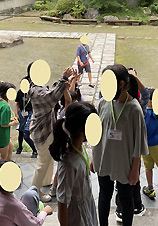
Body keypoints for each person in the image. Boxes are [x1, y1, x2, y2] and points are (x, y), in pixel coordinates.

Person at [92, 64, 148, 226]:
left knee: (125, 199)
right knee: (104, 197)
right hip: (105, 161)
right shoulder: (103, 103)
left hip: (125, 164)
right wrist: (93, 158)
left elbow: (138, 142)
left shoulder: (134, 109)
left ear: (121, 84)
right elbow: (97, 133)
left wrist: (135, 170)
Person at [28, 62, 75, 202]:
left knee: (47, 161)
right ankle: (35, 193)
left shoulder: (38, 87)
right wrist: (63, 78)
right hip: (43, 132)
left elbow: (51, 93)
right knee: (42, 162)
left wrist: (64, 83)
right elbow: (51, 98)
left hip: (45, 129)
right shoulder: (36, 91)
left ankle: (44, 182)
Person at [49, 102, 98, 226]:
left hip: (86, 205)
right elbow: (62, 201)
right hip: (76, 217)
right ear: (83, 129)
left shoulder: (80, 149)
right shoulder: (69, 164)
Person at [0, 159, 53, 226]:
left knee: (32, 194)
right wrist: (45, 212)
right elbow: (35, 224)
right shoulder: (14, 206)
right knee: (31, 195)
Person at [0, 82, 18, 160]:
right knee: (3, 157)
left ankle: (9, 164)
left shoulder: (0, 102)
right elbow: (3, 124)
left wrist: (9, 119)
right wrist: (13, 123)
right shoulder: (6, 107)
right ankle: (1, 170)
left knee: (11, 147)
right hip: (1, 135)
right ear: (6, 94)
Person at [14, 80, 37, 157]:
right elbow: (17, 103)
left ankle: (35, 150)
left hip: (31, 113)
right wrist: (16, 113)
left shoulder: (32, 93)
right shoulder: (19, 92)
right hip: (22, 112)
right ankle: (20, 148)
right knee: (20, 131)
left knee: (26, 134)